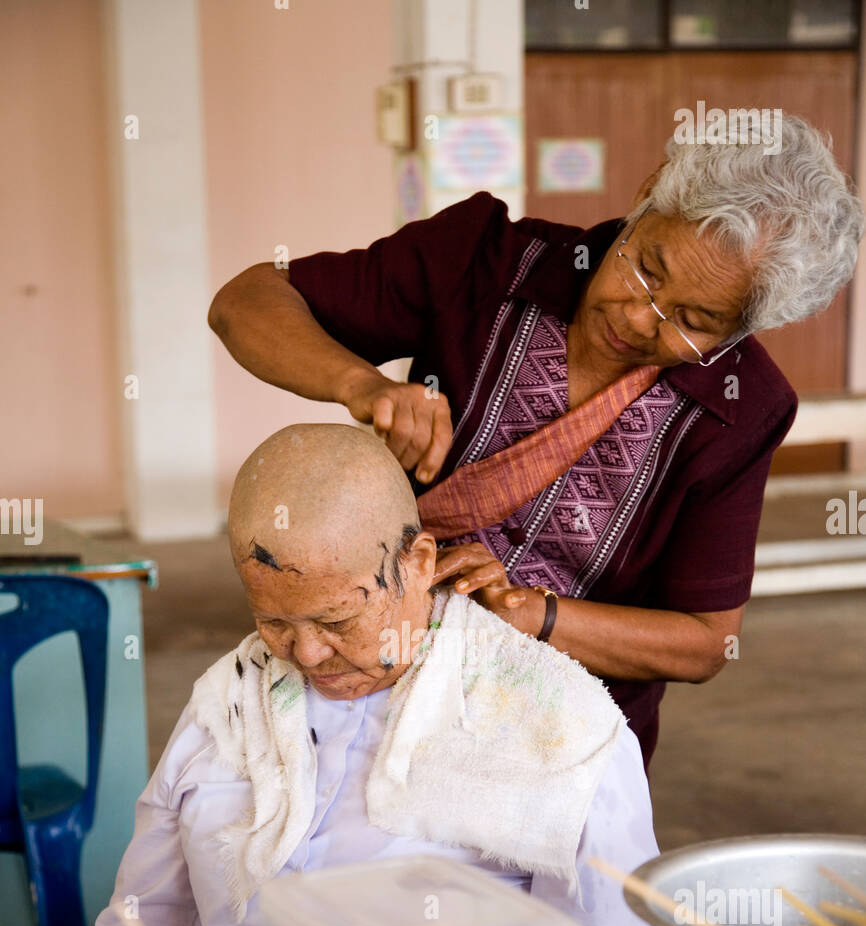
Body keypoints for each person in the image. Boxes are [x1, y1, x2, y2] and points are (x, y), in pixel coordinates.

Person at [208, 114, 864, 767]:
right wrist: (361, 385)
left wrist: (534, 617)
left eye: (692, 321)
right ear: (651, 191)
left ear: (744, 329)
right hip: (367, 685)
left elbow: (703, 642)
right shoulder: (484, 262)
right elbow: (246, 301)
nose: (637, 319)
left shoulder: (741, 407)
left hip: (559, 742)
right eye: (646, 269)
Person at [60, 424, 657, 926]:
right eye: (275, 623)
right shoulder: (230, 701)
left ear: (419, 563)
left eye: (338, 621)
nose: (308, 654)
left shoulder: (559, 725)